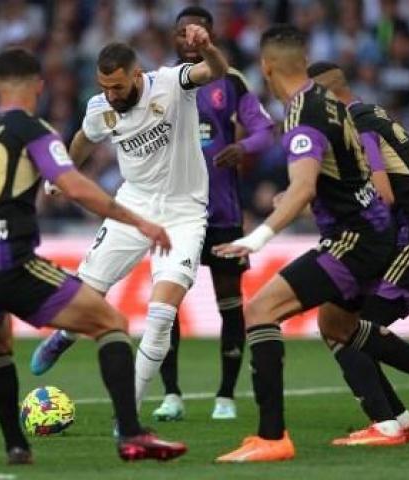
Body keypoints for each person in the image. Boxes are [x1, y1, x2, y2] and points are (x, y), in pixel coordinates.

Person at [213, 25, 409, 463]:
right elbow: (335, 184)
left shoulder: (316, 114)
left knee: (274, 312)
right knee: (338, 324)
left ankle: (280, 436)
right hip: (385, 233)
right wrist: (302, 197)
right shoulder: (341, 110)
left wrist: (260, 233)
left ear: (267, 67)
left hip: (390, 236)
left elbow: (368, 192)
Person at [0, 47, 187, 465]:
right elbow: (75, 186)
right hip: (8, 259)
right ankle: (131, 435)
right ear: (38, 87)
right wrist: (140, 222)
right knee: (111, 322)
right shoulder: (33, 129)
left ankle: (16, 446)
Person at [29, 26, 229, 416]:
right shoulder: (100, 108)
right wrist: (63, 172)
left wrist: (208, 48)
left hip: (184, 214)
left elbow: (216, 72)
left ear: (137, 75)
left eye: (117, 87)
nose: (111, 95)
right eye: (105, 86)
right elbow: (85, 140)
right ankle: (65, 335)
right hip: (132, 209)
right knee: (84, 298)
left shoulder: (171, 83)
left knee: (159, 318)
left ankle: (128, 417)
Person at [308, 62, 409, 445]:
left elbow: (381, 193)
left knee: (352, 327)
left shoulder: (359, 123)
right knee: (333, 320)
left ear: (327, 96)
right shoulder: (374, 115)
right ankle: (397, 420)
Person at [153, 6, 275, 422]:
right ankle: (172, 394)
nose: (190, 40)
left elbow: (264, 130)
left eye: (198, 33)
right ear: (173, 38)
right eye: (183, 33)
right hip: (174, 214)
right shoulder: (158, 82)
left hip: (222, 213)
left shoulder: (231, 81)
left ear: (210, 37)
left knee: (230, 306)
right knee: (166, 306)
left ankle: (226, 395)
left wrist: (244, 148)